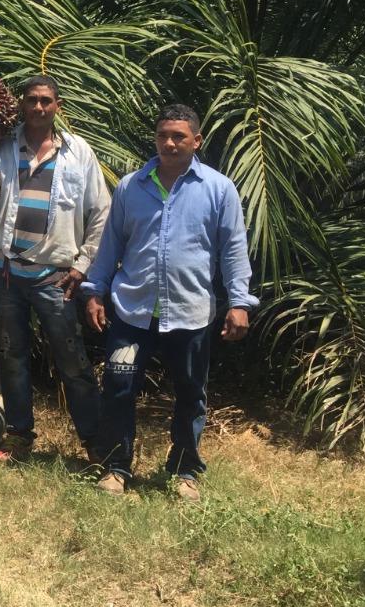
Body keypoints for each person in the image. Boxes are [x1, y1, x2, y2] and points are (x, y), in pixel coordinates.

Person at [81, 104, 258, 501]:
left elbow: (233, 250)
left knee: (190, 394)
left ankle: (185, 471)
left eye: (179, 136)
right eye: (163, 135)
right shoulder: (131, 186)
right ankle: (116, 467)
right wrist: (95, 291)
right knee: (119, 388)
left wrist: (239, 302)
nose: (170, 143)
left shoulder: (218, 189)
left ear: (196, 141)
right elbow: (111, 245)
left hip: (190, 314)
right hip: (132, 312)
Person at [0, 75, 110, 464]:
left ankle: (95, 442)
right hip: (5, 272)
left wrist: (82, 265)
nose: (39, 107)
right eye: (32, 100)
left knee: (72, 360)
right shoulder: (4, 147)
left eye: (46, 100)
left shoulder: (78, 152)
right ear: (21, 104)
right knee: (12, 356)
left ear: (57, 105)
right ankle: (19, 435)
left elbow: (101, 213)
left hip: (54, 277)